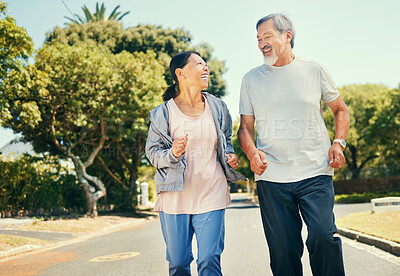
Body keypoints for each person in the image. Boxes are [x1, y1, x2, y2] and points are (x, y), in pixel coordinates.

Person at [238, 13, 350, 276]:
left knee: (323, 236)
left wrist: (338, 143)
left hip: (315, 171)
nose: (261, 43)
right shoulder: (251, 79)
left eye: (267, 36)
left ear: (287, 36)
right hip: (272, 177)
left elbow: (340, 110)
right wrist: (252, 152)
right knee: (283, 249)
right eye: (258, 39)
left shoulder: (314, 70)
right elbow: (245, 127)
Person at [145, 51, 246, 276]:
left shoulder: (217, 107)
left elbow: (225, 140)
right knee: (179, 262)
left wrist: (229, 155)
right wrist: (172, 153)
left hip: (212, 192)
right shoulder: (163, 113)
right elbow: (152, 153)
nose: (206, 67)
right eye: (199, 63)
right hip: (174, 197)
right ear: (180, 73)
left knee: (209, 259)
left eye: (205, 63)